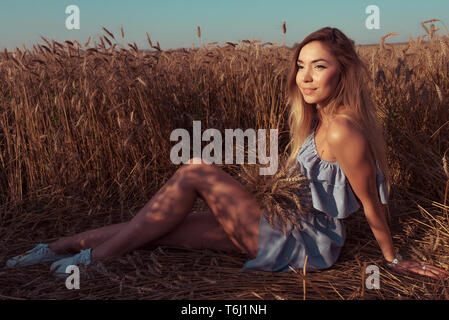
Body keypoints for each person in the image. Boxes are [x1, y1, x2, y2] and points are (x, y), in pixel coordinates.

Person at [6, 27, 447, 280]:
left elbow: (371, 204)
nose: (306, 77)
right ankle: (56, 246)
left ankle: (90, 261)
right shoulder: (316, 119)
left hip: (303, 242)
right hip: (278, 222)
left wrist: (393, 260)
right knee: (160, 227)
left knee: (196, 167)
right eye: (300, 66)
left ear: (343, 70)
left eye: (319, 66)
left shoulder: (346, 130)